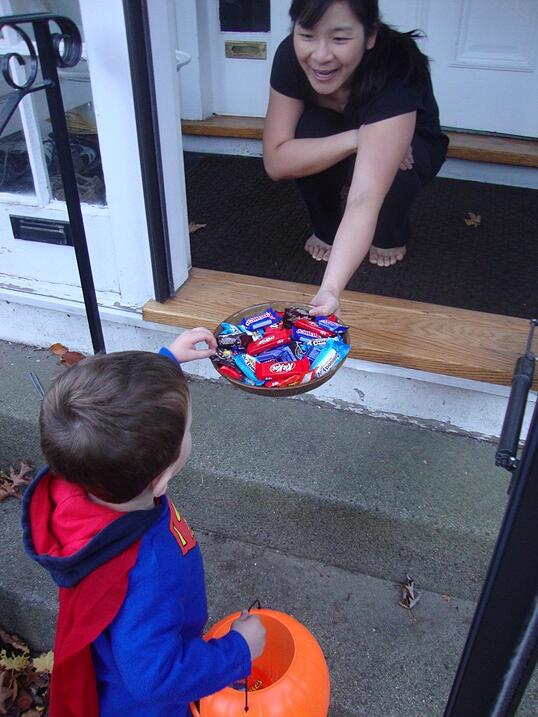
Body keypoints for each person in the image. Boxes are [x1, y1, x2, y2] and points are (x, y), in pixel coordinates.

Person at [21, 328, 266, 717]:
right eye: (186, 430)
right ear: (161, 479)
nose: (188, 432)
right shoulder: (149, 569)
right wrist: (237, 652)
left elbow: (117, 423)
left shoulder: (87, 476)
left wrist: (167, 363)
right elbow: (154, 678)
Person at [263, 0, 449, 316]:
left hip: (414, 147)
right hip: (344, 133)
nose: (320, 55)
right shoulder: (289, 56)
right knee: (311, 131)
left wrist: (330, 289)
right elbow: (276, 161)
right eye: (307, 35)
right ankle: (326, 227)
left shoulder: (398, 67)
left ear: (370, 34)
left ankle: (390, 233)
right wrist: (358, 138)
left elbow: (364, 198)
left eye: (339, 39)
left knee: (400, 162)